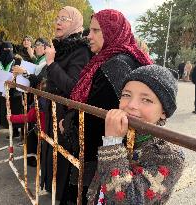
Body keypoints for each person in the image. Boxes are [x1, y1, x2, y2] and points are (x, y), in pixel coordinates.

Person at [61, 9, 153, 204]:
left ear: (112, 32)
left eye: (96, 31)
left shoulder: (114, 64)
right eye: (89, 30)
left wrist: (68, 124)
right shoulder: (118, 58)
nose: (88, 36)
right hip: (112, 155)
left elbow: (95, 116)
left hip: (99, 158)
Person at [87, 65, 185, 205]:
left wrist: (112, 143)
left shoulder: (170, 157)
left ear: (164, 111)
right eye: (126, 95)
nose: (131, 105)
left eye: (146, 100)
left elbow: (128, 199)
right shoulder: (122, 131)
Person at [40, 6, 92, 203]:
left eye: (65, 19)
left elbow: (73, 88)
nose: (58, 22)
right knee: (52, 157)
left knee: (62, 163)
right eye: (58, 18)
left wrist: (52, 64)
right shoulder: (59, 47)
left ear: (76, 23)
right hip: (53, 113)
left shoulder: (81, 51)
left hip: (65, 118)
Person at [7, 78, 46, 167]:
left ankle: (33, 161)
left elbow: (27, 117)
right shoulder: (56, 101)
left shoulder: (38, 104)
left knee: (31, 140)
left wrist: (11, 118)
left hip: (42, 132)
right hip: (52, 132)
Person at [0, 41, 23, 137]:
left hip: (15, 92)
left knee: (16, 111)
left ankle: (19, 132)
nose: (8, 51)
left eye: (11, 49)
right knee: (7, 111)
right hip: (2, 91)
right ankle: (11, 130)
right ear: (1, 50)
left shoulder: (17, 61)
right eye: (6, 49)